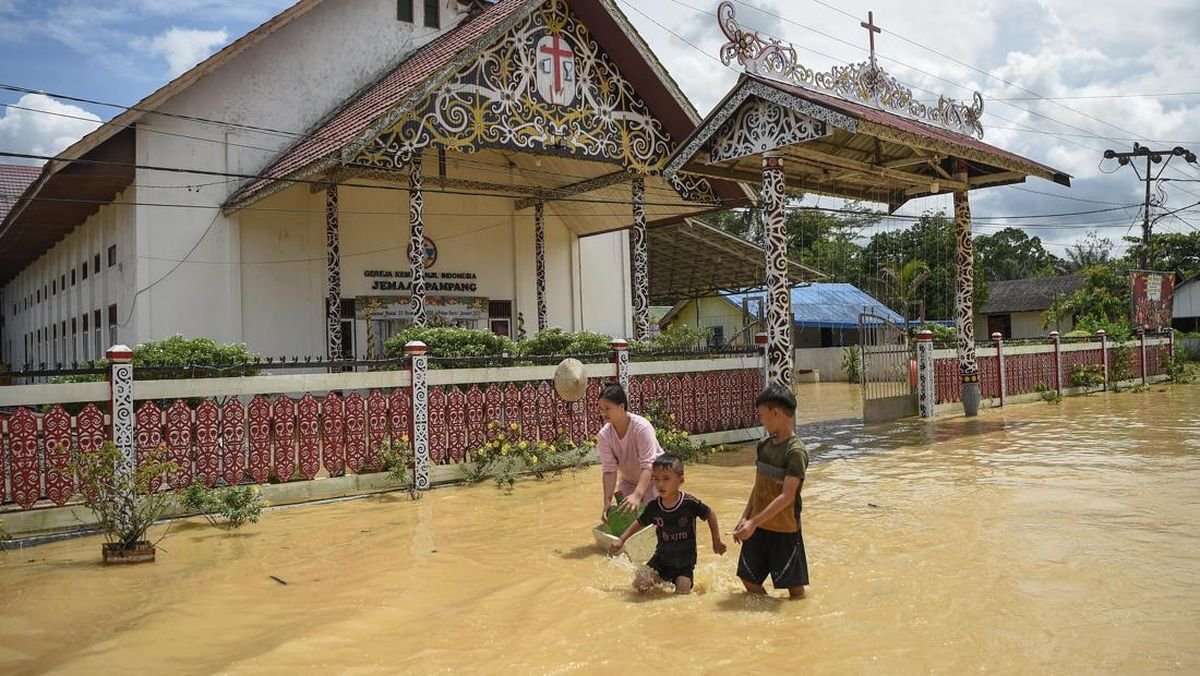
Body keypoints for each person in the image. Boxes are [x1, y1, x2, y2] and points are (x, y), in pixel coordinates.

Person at [732, 384, 810, 599]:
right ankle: (768, 614)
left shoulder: (796, 452)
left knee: (794, 590)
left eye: (762, 415)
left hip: (784, 529)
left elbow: (787, 497)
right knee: (748, 579)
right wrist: (745, 517)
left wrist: (753, 522)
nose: (761, 420)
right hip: (758, 526)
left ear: (776, 413)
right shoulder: (764, 445)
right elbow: (759, 485)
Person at [610, 455, 726, 594]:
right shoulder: (654, 506)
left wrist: (716, 540)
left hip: (684, 564)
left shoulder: (689, 503)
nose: (660, 484)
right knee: (640, 585)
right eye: (656, 479)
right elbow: (640, 522)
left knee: (682, 593)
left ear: (680, 480)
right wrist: (622, 539)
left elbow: (710, 514)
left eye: (666, 479)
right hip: (661, 560)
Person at [596, 383, 663, 522]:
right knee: (626, 520)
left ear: (621, 407)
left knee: (658, 520)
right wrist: (607, 501)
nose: (603, 413)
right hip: (629, 481)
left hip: (656, 479)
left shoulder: (641, 427)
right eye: (601, 409)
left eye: (608, 408)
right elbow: (609, 470)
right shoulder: (604, 436)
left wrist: (637, 495)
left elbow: (649, 464)